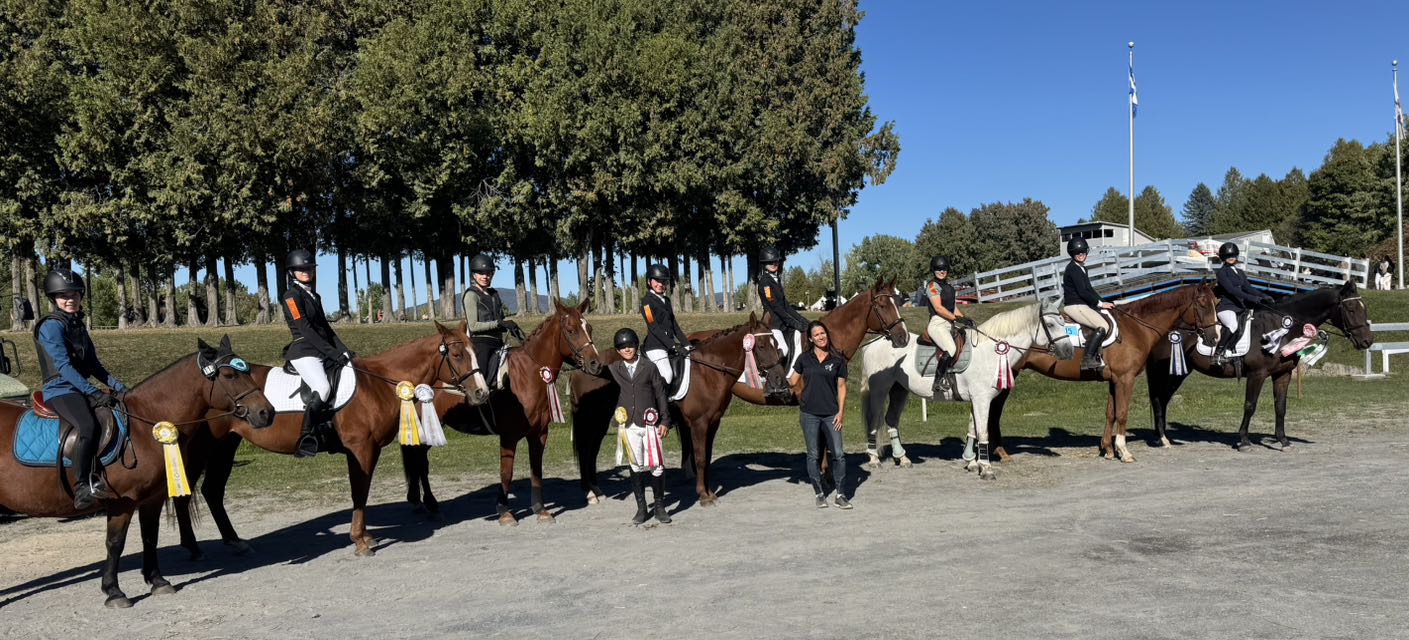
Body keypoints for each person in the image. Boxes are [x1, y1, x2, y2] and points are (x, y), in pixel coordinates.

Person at [32, 268, 129, 509]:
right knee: (87, 425)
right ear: (54, 299)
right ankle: (82, 486)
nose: (70, 299)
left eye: (75, 294)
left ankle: (104, 475)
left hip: (79, 387)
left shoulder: (78, 325)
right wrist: (92, 392)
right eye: (64, 295)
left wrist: (119, 387)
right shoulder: (51, 327)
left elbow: (94, 364)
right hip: (60, 390)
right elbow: (63, 366)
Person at [280, 249, 354, 458]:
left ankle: (333, 431)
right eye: (301, 269)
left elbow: (326, 330)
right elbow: (305, 329)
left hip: (322, 348)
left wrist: (344, 352)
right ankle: (306, 437)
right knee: (322, 387)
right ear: (292, 272)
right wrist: (332, 352)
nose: (306, 272)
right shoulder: (291, 297)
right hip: (304, 350)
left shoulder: (315, 296)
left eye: (309, 268)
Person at [607, 328, 672, 525]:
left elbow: (660, 394)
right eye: (622, 347)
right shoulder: (613, 369)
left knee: (657, 465)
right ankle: (642, 508)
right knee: (635, 465)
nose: (627, 349)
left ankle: (659, 507)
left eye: (630, 345)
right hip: (629, 425)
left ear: (636, 346)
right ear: (617, 350)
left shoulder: (649, 367)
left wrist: (664, 420)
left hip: (651, 424)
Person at [789, 321, 850, 509]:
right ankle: (819, 493)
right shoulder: (803, 359)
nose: (821, 337)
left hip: (832, 414)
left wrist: (841, 412)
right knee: (813, 455)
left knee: (838, 454)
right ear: (810, 339)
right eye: (816, 335)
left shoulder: (837, 360)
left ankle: (840, 494)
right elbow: (792, 381)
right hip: (809, 414)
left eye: (823, 333)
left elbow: (841, 387)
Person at [462, 253, 523, 388]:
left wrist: (508, 326)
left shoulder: (494, 294)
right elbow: (473, 326)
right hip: (481, 344)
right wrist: (498, 323)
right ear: (474, 275)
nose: (485, 276)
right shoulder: (471, 296)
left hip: (498, 342)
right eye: (481, 273)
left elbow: (499, 318)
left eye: (488, 273)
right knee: (482, 381)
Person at [1213, 242, 1273, 362]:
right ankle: (1218, 353)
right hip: (1226, 307)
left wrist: (1263, 295)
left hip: (1240, 306)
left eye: (1233, 255)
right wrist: (1252, 298)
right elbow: (1231, 290)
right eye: (1227, 256)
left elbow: (1248, 288)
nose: (1231, 258)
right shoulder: (1221, 273)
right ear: (1223, 258)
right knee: (1232, 325)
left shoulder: (1239, 272)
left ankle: (1237, 351)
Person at [1061, 238, 1114, 371]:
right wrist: (1100, 304)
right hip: (1075, 306)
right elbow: (1083, 292)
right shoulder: (1073, 269)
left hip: (1081, 304)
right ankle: (1088, 359)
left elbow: (1089, 289)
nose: (1081, 255)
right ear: (1072, 254)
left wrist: (1103, 302)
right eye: (1077, 253)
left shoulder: (1081, 267)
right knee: (1103, 326)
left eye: (1083, 252)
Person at [924, 256, 972, 394]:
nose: (941, 271)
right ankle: (937, 382)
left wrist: (964, 319)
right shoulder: (932, 286)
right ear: (933, 270)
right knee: (950, 348)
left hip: (949, 322)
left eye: (944, 268)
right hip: (937, 323)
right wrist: (956, 319)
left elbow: (953, 308)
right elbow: (938, 308)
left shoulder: (949, 287)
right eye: (938, 268)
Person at [640, 263, 691, 386]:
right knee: (667, 374)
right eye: (657, 281)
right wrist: (673, 345)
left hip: (669, 345)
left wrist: (687, 344)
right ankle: (657, 404)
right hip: (655, 346)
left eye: (663, 281)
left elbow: (674, 325)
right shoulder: (646, 302)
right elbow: (653, 327)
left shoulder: (666, 301)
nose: (660, 284)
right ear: (649, 281)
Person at [755, 246, 810, 361]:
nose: (774, 264)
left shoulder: (777, 280)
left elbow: (786, 306)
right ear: (764, 264)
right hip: (773, 323)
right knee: (784, 349)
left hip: (783, 322)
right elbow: (775, 306)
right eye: (770, 262)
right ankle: (773, 377)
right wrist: (793, 322)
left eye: (776, 261)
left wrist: (802, 320)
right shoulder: (765, 282)